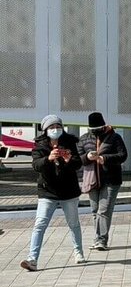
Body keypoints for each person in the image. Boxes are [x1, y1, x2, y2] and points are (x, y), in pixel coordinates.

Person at [21, 115, 86, 271]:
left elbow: (78, 164)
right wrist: (48, 159)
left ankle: (79, 253)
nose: (55, 130)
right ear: (45, 130)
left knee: (73, 223)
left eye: (58, 127)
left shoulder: (70, 142)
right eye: (51, 127)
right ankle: (32, 259)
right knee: (40, 224)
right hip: (47, 191)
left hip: (69, 191)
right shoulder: (39, 146)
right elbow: (36, 165)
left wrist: (69, 158)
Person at [77, 111, 128, 251]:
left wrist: (104, 159)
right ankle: (98, 238)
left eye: (98, 129)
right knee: (95, 210)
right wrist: (88, 157)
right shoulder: (84, 139)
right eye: (93, 130)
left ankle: (101, 240)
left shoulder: (114, 137)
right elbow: (77, 159)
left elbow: (123, 155)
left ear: (104, 126)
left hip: (111, 179)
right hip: (91, 179)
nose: (96, 132)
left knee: (103, 210)